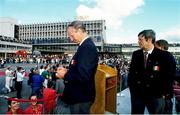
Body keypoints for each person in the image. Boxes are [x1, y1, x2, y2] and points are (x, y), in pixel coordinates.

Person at [128, 29, 175, 114]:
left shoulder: (164, 56)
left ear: (149, 39)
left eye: (140, 39)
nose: (138, 42)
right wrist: (132, 89)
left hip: (156, 96)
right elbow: (131, 74)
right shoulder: (136, 54)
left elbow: (168, 77)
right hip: (138, 95)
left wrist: (163, 94)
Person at [56, 21, 99, 114]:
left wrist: (65, 75)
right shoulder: (84, 46)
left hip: (81, 97)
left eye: (71, 35)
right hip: (80, 96)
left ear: (79, 31)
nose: (71, 39)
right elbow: (81, 69)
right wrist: (67, 70)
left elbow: (83, 76)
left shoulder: (87, 47)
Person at [155, 39, 176, 114]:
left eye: (156, 47)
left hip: (163, 94)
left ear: (162, 47)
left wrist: (164, 93)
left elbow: (167, 76)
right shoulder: (163, 57)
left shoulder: (167, 57)